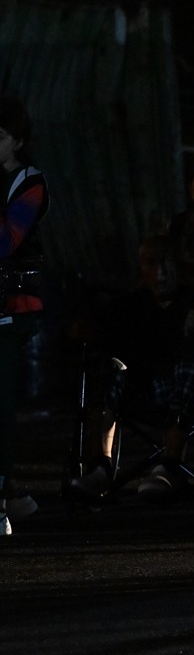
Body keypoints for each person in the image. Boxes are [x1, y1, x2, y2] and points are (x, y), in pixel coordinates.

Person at [67, 235, 194, 500]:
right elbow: (87, 330)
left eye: (166, 263)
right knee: (110, 370)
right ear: (142, 267)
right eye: (151, 264)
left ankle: (169, 465)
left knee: (188, 369)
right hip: (139, 391)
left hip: (183, 394)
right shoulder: (128, 306)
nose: (160, 272)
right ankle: (100, 468)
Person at [1, 96, 50, 536]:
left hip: (12, 306)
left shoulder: (28, 182)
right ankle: (12, 495)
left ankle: (5, 495)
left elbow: (7, 239)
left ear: (17, 140)